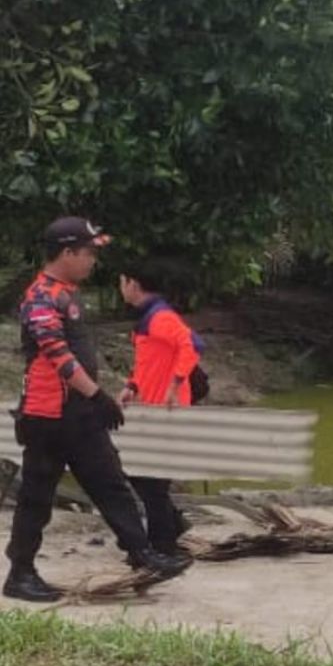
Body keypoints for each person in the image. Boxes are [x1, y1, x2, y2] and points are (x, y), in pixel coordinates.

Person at [3, 217, 192, 602]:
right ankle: (21, 573)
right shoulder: (41, 297)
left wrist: (93, 400)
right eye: (88, 252)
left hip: (76, 413)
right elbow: (57, 355)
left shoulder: (67, 293)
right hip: (49, 415)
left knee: (109, 482)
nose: (93, 260)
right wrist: (97, 397)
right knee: (38, 496)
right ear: (67, 252)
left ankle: (141, 554)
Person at [118, 261, 203, 555]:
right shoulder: (149, 317)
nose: (121, 289)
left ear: (133, 284)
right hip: (150, 407)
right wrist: (132, 386)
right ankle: (171, 528)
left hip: (166, 411)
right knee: (142, 474)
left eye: (122, 282)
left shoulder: (160, 317)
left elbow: (192, 346)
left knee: (150, 479)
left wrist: (175, 384)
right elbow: (149, 361)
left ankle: (163, 545)